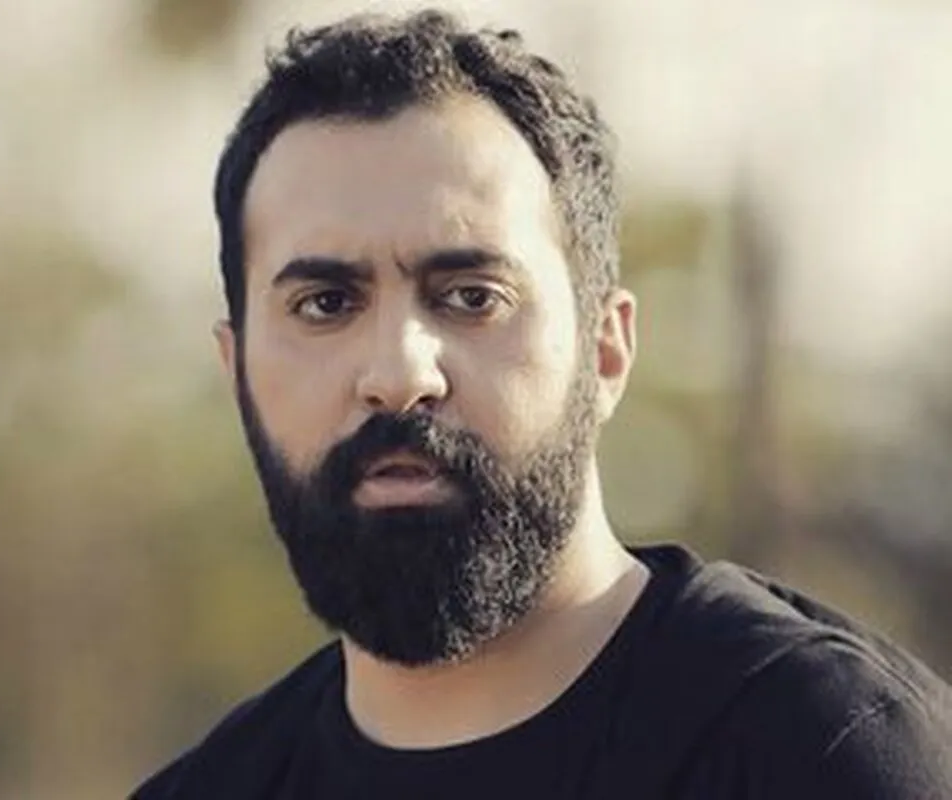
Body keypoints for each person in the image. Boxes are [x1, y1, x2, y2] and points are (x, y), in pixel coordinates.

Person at [131, 8, 952, 798]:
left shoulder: (823, 755)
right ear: (236, 370)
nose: (401, 373)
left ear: (606, 349)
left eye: (470, 297)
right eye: (325, 304)